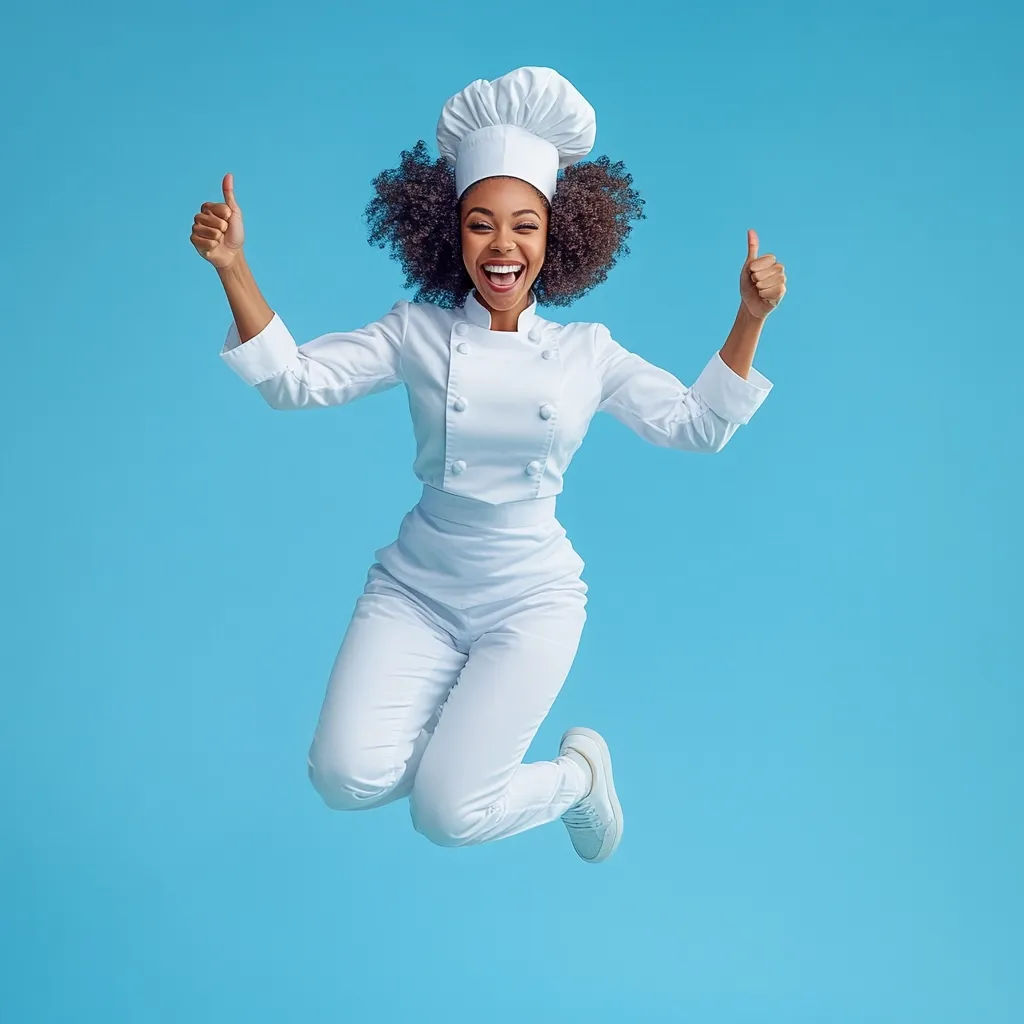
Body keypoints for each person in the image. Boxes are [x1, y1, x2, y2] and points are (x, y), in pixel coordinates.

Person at [189, 67, 785, 864]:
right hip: (417, 586)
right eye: (481, 225)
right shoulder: (416, 332)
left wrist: (749, 318)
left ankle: (577, 779)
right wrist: (233, 267)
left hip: (528, 598)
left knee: (447, 816)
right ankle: (463, 754)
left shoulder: (587, 352)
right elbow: (293, 380)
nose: (502, 246)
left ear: (556, 236)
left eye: (524, 226)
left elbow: (697, 425)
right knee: (341, 777)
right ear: (451, 234)